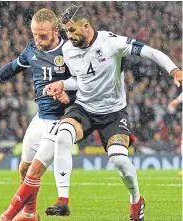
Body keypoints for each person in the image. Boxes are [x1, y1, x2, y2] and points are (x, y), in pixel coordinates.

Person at [42, 4, 182, 221]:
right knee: (62, 135)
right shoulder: (69, 50)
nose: (68, 36)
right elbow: (81, 80)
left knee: (119, 160)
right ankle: (63, 200)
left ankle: (136, 200)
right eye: (66, 31)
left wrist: (174, 69)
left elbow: (151, 52)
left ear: (86, 26)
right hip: (84, 108)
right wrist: (61, 84)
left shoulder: (111, 42)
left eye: (71, 30)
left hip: (113, 114)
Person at [0, 9, 75, 221]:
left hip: (62, 120)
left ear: (55, 30)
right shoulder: (32, 50)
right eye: (34, 34)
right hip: (40, 118)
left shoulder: (70, 51)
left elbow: (86, 83)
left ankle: (6, 218)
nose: (38, 39)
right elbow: (12, 68)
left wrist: (69, 98)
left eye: (43, 35)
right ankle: (29, 213)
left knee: (34, 171)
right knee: (24, 169)